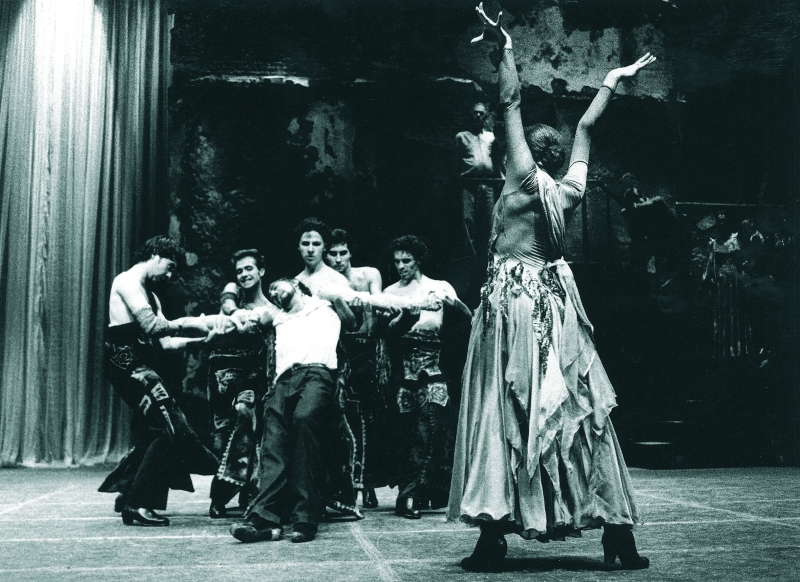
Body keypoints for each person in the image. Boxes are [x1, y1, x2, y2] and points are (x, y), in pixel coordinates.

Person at [447, 4, 655, 571]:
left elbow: (510, 103)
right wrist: (611, 81)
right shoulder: (569, 190)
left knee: (505, 412)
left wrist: (507, 51)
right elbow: (585, 128)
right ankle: (617, 533)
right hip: (556, 307)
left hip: (516, 306)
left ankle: (493, 534)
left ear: (524, 156)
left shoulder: (523, 179)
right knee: (575, 409)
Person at [98, 236, 223, 526]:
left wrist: (203, 339)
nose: (169, 275)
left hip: (139, 366)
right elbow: (152, 327)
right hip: (127, 366)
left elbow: (166, 343)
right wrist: (192, 323)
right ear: (154, 254)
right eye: (169, 267)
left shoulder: (151, 297)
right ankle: (137, 503)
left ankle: (130, 491)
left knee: (156, 429)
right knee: (167, 428)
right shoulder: (127, 281)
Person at [229, 278, 358, 543]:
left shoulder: (324, 306)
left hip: (317, 375)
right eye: (271, 292)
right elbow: (246, 319)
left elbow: (353, 322)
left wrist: (336, 296)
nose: (274, 293)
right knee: (273, 440)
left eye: (279, 287)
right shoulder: (276, 315)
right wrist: (239, 314)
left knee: (303, 420)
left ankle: (305, 519)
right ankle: (263, 519)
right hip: (283, 380)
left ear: (296, 286)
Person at [383, 235, 472, 519]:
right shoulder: (390, 292)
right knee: (407, 433)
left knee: (431, 429)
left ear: (418, 260)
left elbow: (468, 319)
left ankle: (412, 495)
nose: (401, 266)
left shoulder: (439, 286)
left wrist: (453, 303)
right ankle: (411, 491)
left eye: (406, 260)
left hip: (434, 369)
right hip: (403, 372)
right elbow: (388, 333)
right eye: (397, 261)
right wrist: (409, 313)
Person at [325, 229, 391, 509]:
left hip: (370, 349)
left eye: (343, 252)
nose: (339, 258)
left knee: (372, 419)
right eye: (333, 254)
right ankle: (349, 483)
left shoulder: (368, 274)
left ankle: (370, 484)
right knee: (346, 419)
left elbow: (378, 300)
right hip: (341, 351)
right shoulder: (325, 281)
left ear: (351, 252)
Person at [207, 249, 274, 518]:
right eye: (239, 270)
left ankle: (225, 493)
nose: (244, 274)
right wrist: (237, 316)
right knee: (222, 438)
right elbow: (227, 305)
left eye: (249, 269)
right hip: (221, 377)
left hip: (251, 377)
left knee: (245, 415)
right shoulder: (231, 297)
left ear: (261, 271)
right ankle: (236, 493)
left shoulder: (270, 308)